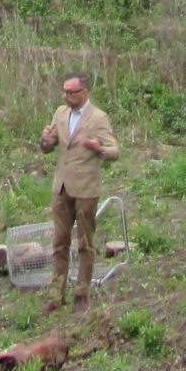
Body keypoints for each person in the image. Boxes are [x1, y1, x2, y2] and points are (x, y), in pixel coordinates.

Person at [37, 73, 119, 310]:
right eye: (64, 91)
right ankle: (56, 294)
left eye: (71, 92)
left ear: (84, 93)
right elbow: (48, 147)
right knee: (59, 241)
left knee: (85, 242)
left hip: (85, 188)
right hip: (61, 186)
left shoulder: (98, 117)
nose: (66, 96)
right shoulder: (60, 113)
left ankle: (82, 292)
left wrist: (98, 148)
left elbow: (115, 151)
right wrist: (45, 140)